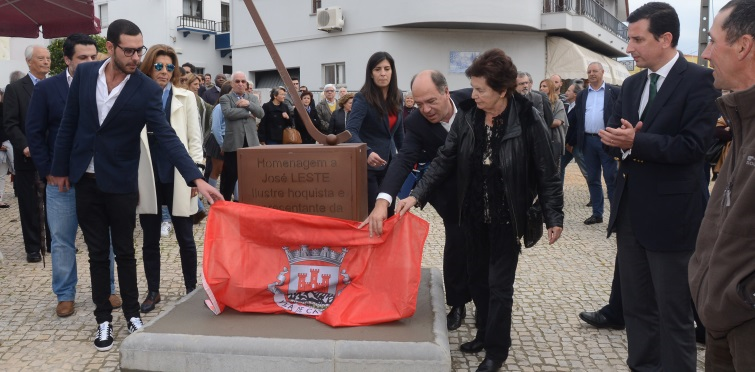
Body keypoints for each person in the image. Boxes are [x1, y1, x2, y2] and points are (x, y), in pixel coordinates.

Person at [49, 19, 223, 352]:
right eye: (128, 50)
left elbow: (169, 137)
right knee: (98, 254)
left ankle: (131, 313)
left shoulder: (145, 89)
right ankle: (103, 319)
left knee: (126, 251)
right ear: (110, 48)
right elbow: (69, 123)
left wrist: (197, 177)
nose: (135, 56)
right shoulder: (85, 75)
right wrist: (59, 170)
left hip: (121, 181)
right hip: (84, 179)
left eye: (138, 50)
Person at [396, 49, 563, 372]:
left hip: (507, 217)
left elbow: (547, 171)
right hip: (472, 214)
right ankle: (484, 334)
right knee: (478, 280)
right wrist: (415, 196)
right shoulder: (469, 116)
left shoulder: (528, 117)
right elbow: (444, 159)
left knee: (500, 286)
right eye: (472, 88)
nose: (472, 95)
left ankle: (497, 351)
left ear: (502, 90)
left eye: (480, 89)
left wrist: (553, 215)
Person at [597, 3, 720, 370]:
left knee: (674, 314)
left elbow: (694, 147)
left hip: (674, 218)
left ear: (665, 39)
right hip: (631, 213)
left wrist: (636, 142)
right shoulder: (632, 84)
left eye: (637, 39)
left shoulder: (700, 80)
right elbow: (622, 137)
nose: (629, 47)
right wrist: (616, 140)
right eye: (629, 38)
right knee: (637, 309)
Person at [361, 70, 472, 331]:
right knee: (457, 240)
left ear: (446, 92)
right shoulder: (416, 123)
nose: (426, 109)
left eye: (431, 101)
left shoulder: (472, 101)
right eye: (419, 103)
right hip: (446, 189)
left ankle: (484, 296)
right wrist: (382, 202)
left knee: (484, 242)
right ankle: (457, 303)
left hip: (482, 186)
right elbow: (402, 160)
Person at [25, 33, 124, 318]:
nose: (90, 62)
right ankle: (65, 293)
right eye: (83, 58)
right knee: (62, 238)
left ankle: (108, 288)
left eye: (95, 57)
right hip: (63, 180)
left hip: (97, 177)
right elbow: (35, 132)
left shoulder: (106, 86)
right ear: (67, 59)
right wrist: (50, 172)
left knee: (103, 237)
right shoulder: (47, 89)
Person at [690, 0, 755, 369]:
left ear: (744, 46)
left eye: (713, 41)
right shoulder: (741, 115)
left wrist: (744, 295)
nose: (706, 53)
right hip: (722, 315)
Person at [135, 44, 205, 314]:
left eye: (169, 67)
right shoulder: (136, 96)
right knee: (150, 239)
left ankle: (191, 289)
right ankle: (153, 291)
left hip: (178, 174)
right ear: (149, 66)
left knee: (186, 238)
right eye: (158, 66)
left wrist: (195, 178)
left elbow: (195, 141)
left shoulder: (186, 98)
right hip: (147, 174)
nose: (164, 72)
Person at [3, 45, 51, 263]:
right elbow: (10, 123)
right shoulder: (15, 89)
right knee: (29, 203)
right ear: (29, 61)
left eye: (48, 58)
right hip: (27, 156)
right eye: (41, 58)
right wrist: (23, 145)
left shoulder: (54, 85)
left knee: (54, 200)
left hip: (52, 155)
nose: (46, 62)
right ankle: (33, 247)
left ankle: (53, 241)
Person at [345, 51, 404, 215]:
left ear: (392, 71)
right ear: (371, 73)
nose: (383, 73)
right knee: (373, 213)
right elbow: (350, 131)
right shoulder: (362, 98)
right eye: (378, 69)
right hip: (369, 169)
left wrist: (406, 157)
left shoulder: (398, 96)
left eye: (387, 68)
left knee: (390, 211)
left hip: (390, 166)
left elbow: (399, 133)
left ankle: (387, 242)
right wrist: (367, 152)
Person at [569, 62, 621, 225]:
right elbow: (577, 118)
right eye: (589, 71)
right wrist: (572, 140)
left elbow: (621, 115)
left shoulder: (614, 92)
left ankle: (616, 216)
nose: (592, 74)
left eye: (595, 71)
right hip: (588, 140)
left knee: (611, 178)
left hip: (607, 140)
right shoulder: (583, 95)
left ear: (602, 72)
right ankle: (597, 214)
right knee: (593, 178)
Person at [219, 71, 263, 201]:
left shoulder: (252, 98)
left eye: (243, 81)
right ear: (232, 83)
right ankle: (224, 203)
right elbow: (228, 113)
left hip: (251, 143)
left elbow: (261, 113)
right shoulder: (225, 98)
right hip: (234, 143)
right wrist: (248, 112)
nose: (240, 84)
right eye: (237, 81)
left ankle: (249, 202)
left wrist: (248, 104)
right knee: (230, 177)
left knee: (251, 175)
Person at [180, 72, 213, 224]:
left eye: (199, 85)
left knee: (189, 179)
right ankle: (197, 209)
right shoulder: (185, 98)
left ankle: (197, 209)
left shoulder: (197, 100)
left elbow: (198, 126)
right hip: (182, 143)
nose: (198, 87)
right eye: (195, 84)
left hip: (193, 143)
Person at [206, 81, 233, 194]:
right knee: (217, 169)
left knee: (232, 171)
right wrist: (222, 144)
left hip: (230, 140)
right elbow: (216, 128)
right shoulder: (219, 107)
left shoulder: (234, 105)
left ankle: (235, 198)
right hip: (218, 140)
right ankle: (212, 195)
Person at [561, 81, 589, 184]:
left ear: (575, 94)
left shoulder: (580, 108)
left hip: (576, 144)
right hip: (567, 144)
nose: (566, 92)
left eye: (569, 90)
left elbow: (578, 127)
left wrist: (571, 143)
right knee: (559, 167)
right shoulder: (568, 107)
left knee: (586, 171)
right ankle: (557, 195)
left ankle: (595, 197)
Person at [539, 78, 567, 162]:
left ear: (550, 88)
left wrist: (540, 122)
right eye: (540, 86)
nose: (541, 88)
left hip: (553, 139)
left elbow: (557, 121)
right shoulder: (537, 101)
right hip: (539, 139)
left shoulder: (558, 103)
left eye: (544, 86)